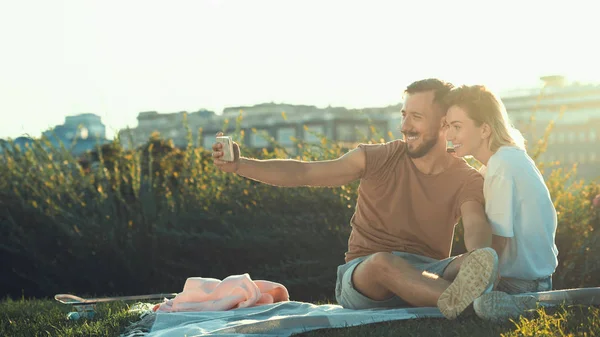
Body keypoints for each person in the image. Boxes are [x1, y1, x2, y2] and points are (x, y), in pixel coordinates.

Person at [212, 79, 498, 320]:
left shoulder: (466, 178)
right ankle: (475, 307)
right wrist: (240, 165)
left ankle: (468, 300)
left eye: (416, 117)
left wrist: (477, 256)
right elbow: (305, 172)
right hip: (364, 277)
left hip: (425, 274)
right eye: (403, 114)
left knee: (469, 261)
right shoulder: (379, 158)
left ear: (445, 125)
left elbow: (474, 223)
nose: (405, 126)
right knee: (383, 263)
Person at [444, 84, 559, 320]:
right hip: (535, 280)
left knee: (443, 288)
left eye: (457, 127)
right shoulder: (505, 159)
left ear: (484, 129)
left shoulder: (502, 165)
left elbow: (498, 242)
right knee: (441, 275)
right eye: (447, 126)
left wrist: (475, 286)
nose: (448, 135)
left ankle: (519, 307)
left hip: (521, 285)